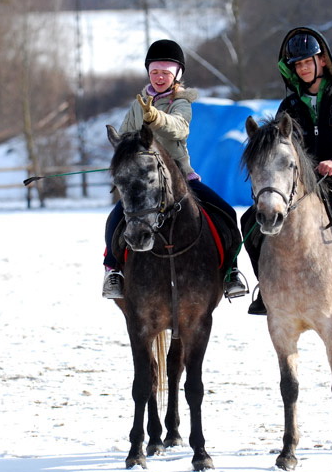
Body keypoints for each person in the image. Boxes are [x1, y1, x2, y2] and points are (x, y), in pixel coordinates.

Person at [242, 26, 332, 316]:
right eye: (297, 65)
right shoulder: (288, 106)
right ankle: (265, 288)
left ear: (322, 61)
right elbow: (279, 146)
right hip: (301, 186)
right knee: (249, 220)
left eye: (307, 62)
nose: (303, 69)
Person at [102, 39, 247, 300]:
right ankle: (113, 271)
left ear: (176, 75)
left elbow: (179, 128)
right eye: (155, 72)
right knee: (116, 218)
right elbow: (126, 138)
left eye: (165, 73)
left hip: (179, 176)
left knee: (225, 211)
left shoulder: (181, 102)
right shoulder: (138, 105)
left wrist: (154, 117)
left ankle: (230, 271)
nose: (159, 77)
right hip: (146, 179)